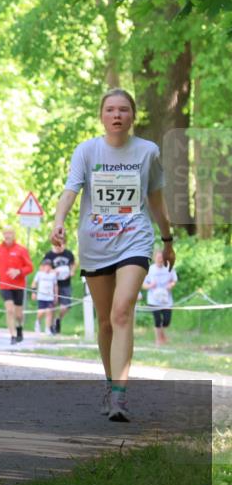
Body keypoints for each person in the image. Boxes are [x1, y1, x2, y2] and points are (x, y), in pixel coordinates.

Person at [51, 88, 174, 422]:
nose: (117, 115)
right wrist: (58, 222)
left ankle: (120, 396)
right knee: (106, 322)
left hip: (134, 239)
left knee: (122, 313)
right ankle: (110, 383)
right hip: (96, 244)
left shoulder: (147, 151)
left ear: (133, 116)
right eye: (110, 110)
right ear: (101, 116)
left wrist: (167, 238)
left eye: (123, 110)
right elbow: (71, 190)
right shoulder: (87, 151)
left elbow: (156, 199)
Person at [0, 227, 33, 345]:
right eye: (5, 233)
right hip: (5, 285)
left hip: (18, 285)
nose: (7, 235)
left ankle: (19, 327)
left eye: (9, 233)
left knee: (19, 314)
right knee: (10, 310)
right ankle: (13, 335)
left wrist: (18, 271)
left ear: (14, 234)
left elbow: (30, 267)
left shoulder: (21, 250)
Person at [144, 250, 178, 346]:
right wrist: (150, 285)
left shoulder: (169, 267)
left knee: (166, 321)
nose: (160, 260)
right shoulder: (150, 269)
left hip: (166, 300)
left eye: (162, 258)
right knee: (157, 320)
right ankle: (158, 340)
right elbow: (143, 284)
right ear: (154, 258)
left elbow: (174, 280)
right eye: (158, 258)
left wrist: (171, 285)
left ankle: (163, 337)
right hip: (153, 300)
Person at [43, 239, 77, 334]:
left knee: (65, 306)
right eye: (57, 244)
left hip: (65, 284)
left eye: (62, 244)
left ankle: (57, 320)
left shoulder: (68, 253)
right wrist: (53, 271)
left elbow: (73, 264)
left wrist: (72, 271)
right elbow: (43, 268)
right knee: (52, 305)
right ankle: (50, 328)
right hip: (53, 285)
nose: (59, 246)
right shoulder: (49, 255)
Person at [32, 259, 59, 334]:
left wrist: (56, 295)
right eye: (46, 266)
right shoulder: (39, 274)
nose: (47, 267)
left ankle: (47, 328)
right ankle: (38, 322)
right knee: (41, 312)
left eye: (49, 266)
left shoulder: (53, 275)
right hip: (41, 296)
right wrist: (34, 292)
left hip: (50, 296)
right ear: (43, 267)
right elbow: (34, 283)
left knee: (49, 312)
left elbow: (55, 285)